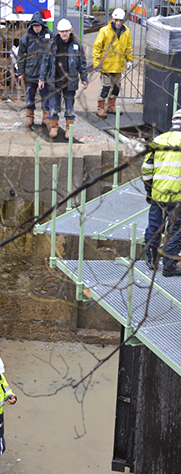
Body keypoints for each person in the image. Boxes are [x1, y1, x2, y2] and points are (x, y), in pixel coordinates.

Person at [142, 109, 181, 277]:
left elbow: (147, 168)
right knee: (175, 230)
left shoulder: (158, 140)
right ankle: (169, 265)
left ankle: (151, 259)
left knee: (155, 227)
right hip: (178, 197)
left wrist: (149, 189)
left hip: (158, 194)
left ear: (172, 123)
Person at [38, 18, 88, 140]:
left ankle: (68, 129)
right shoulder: (51, 45)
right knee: (53, 107)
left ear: (70, 30)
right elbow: (45, 63)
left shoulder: (77, 46)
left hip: (70, 82)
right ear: (58, 32)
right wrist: (42, 79)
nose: (64, 33)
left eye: (66, 31)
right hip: (54, 81)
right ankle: (54, 127)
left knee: (70, 108)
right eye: (62, 31)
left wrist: (84, 78)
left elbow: (82, 64)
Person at [92, 8, 133, 119]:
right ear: (112, 19)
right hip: (106, 66)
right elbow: (97, 48)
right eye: (116, 20)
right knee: (105, 87)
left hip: (118, 66)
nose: (118, 22)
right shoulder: (105, 31)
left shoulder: (126, 32)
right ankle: (100, 108)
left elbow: (128, 47)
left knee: (116, 88)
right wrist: (97, 63)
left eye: (120, 20)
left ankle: (111, 106)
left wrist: (129, 60)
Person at [17, 11, 51, 129]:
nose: (37, 28)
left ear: (42, 25)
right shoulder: (25, 38)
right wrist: (20, 71)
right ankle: (29, 117)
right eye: (35, 26)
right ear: (32, 26)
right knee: (30, 96)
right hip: (30, 73)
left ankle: (46, 118)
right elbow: (21, 55)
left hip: (45, 74)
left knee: (46, 97)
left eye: (39, 26)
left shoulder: (49, 36)